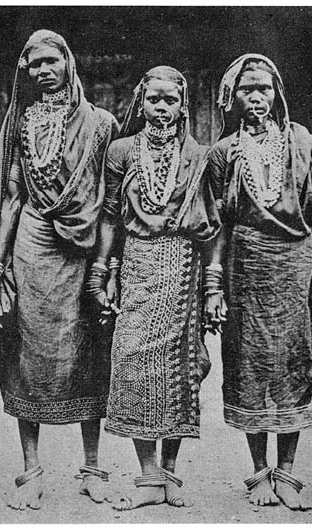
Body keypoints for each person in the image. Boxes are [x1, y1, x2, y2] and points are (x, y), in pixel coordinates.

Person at [204, 53, 312, 510]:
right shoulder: (223, 153)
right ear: (233, 97)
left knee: (294, 366)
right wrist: (213, 285)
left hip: (295, 266)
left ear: (277, 92)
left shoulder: (305, 143)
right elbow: (220, 225)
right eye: (247, 89)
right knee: (250, 369)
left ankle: (287, 472)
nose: (256, 97)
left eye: (264, 88)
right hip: (246, 269)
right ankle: (258, 474)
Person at [0, 30, 119, 510]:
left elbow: (109, 206)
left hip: (82, 251)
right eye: (34, 64)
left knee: (88, 349)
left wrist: (105, 267)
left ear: (68, 62)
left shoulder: (100, 124)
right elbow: (13, 198)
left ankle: (91, 467)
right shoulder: (21, 121)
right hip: (31, 245)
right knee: (26, 353)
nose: (43, 71)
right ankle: (31, 471)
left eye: (50, 62)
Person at [89, 65, 220, 511]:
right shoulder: (122, 150)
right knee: (132, 363)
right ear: (140, 103)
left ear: (183, 107)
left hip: (184, 266)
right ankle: (147, 476)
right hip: (137, 265)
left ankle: (167, 474)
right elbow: (108, 215)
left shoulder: (198, 155)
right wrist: (103, 271)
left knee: (180, 368)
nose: (161, 108)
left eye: (170, 100)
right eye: (153, 99)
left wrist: (213, 287)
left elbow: (211, 226)